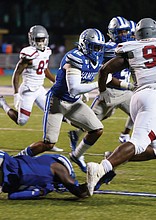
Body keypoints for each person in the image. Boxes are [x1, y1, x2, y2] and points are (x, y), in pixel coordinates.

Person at [86, 18, 156, 196]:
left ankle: (114, 156)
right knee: (139, 143)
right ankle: (102, 167)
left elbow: (104, 70)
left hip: (137, 97)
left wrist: (102, 92)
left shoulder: (131, 49)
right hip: (154, 97)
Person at [17, 28, 109, 173]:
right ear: (85, 45)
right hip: (57, 102)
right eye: (94, 47)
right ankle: (17, 159)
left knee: (97, 129)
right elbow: (74, 89)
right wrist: (99, 84)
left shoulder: (98, 58)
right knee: (48, 143)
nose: (97, 51)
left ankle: (77, 155)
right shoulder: (74, 57)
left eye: (99, 47)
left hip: (74, 103)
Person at [68, 16, 136, 150]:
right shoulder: (107, 48)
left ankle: (126, 135)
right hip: (110, 90)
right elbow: (91, 62)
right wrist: (82, 83)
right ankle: (75, 133)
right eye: (120, 32)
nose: (123, 35)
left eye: (125, 31)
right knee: (92, 120)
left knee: (140, 110)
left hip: (125, 92)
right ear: (111, 33)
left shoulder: (130, 45)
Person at [0, 25, 62, 152]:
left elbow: (44, 69)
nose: (40, 42)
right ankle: (3, 104)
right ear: (32, 40)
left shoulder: (47, 51)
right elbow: (16, 74)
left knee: (52, 112)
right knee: (21, 121)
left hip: (39, 89)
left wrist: (55, 81)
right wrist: (16, 94)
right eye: (38, 39)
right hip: (27, 91)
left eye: (42, 39)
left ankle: (49, 141)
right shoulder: (28, 55)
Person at [0, 150, 89, 199]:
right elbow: (76, 189)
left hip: (10, 178)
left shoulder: (46, 182)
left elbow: (12, 195)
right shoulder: (56, 166)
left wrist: (42, 191)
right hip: (9, 169)